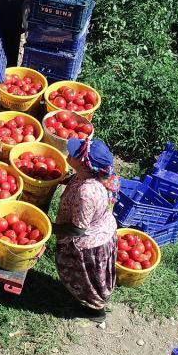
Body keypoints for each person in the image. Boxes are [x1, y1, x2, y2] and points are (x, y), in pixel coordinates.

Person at [53, 137, 119, 322]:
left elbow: (78, 230)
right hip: (102, 229)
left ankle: (95, 311)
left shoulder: (87, 192)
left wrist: (51, 227)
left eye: (74, 153)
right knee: (95, 277)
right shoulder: (97, 175)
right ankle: (87, 296)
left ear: (84, 165)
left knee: (87, 278)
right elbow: (75, 180)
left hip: (89, 245)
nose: (69, 152)